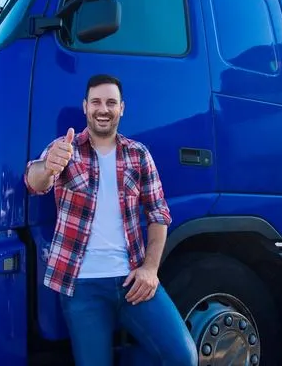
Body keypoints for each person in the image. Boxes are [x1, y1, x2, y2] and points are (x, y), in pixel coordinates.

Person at [24, 74, 198, 366]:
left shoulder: (139, 154)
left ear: (122, 108)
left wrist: (150, 269)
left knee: (183, 357)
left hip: (133, 281)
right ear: (85, 107)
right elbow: (34, 183)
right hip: (81, 287)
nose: (103, 109)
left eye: (111, 103)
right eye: (96, 102)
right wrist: (48, 166)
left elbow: (158, 214)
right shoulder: (64, 149)